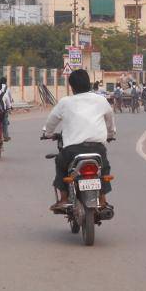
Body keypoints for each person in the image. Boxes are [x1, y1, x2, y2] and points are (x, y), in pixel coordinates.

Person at [44, 69, 116, 212]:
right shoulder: (101, 100)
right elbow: (110, 121)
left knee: (61, 164)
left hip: (72, 150)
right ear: (88, 83)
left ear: (72, 87)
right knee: (104, 168)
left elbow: (51, 121)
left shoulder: (65, 102)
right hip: (97, 149)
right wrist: (110, 134)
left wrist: (48, 133)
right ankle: (103, 200)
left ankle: (64, 199)